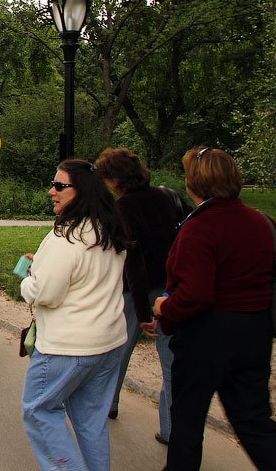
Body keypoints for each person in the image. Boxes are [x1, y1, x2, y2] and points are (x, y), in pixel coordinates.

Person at [153, 147, 276, 471]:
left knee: (188, 419)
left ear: (194, 183)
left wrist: (166, 308)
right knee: (254, 420)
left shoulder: (199, 227)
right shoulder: (263, 222)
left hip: (206, 336)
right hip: (254, 332)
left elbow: (196, 293)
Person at [20, 159, 130, 471]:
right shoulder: (108, 230)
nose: (51, 191)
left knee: (39, 410)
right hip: (108, 342)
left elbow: (46, 294)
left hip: (68, 346)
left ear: (80, 191)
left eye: (59, 186)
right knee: (90, 420)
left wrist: (29, 279)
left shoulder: (67, 237)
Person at [95, 147, 189, 445]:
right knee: (171, 360)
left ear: (114, 179)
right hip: (170, 284)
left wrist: (143, 311)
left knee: (117, 351)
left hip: (137, 289)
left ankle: (107, 404)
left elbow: (133, 262)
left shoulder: (124, 208)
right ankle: (172, 427)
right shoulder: (166, 196)